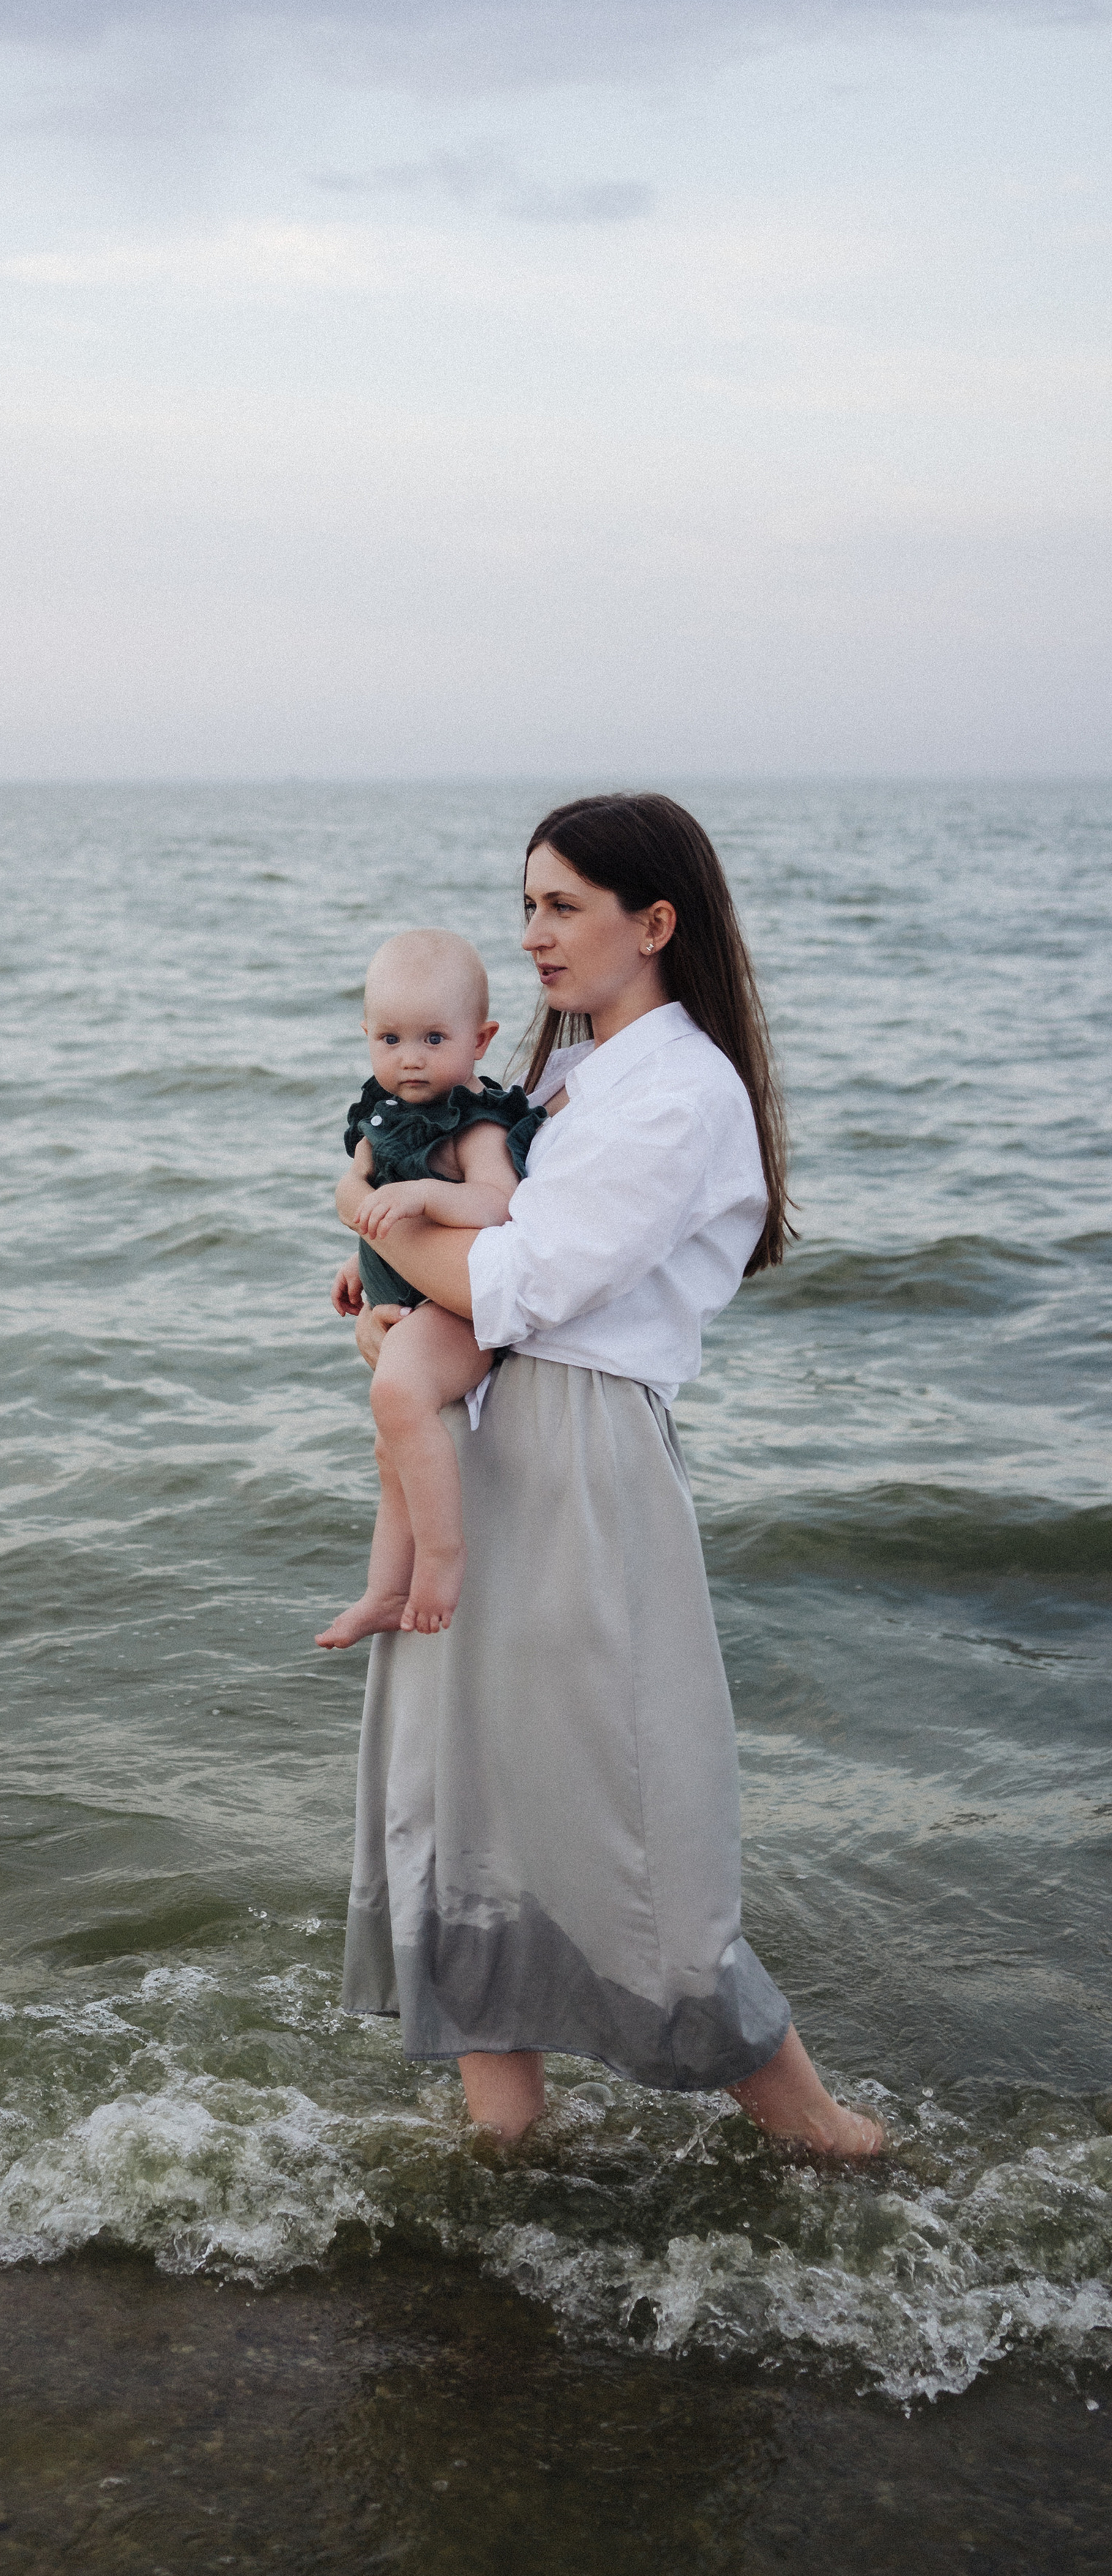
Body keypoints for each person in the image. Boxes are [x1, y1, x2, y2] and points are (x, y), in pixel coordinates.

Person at [325, 794, 884, 2158]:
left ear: (655, 922)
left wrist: (361, 1213)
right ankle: (506, 2143)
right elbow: (473, 1270)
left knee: (628, 1804)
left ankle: (820, 2135)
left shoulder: (682, 1092)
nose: (531, 936)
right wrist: (387, 1298)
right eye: (525, 905)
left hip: (584, 1457)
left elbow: (525, 1277)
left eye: (562, 905)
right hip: (493, 1437)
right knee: (467, 1794)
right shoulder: (567, 1080)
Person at [317, 930, 551, 1646]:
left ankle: (444, 1556)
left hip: (455, 1309)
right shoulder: (381, 1112)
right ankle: (385, 1591)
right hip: (409, 1296)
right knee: (391, 1447)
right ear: (365, 1036)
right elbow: (370, 1199)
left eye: (432, 1037)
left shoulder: (471, 1120)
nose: (409, 1057)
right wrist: (363, 1258)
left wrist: (422, 1197)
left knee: (395, 1397)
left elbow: (497, 1203)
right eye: (389, 1038)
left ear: (480, 1040)